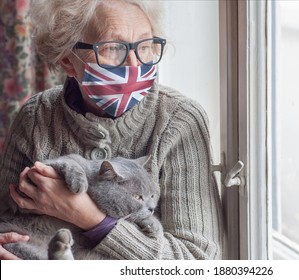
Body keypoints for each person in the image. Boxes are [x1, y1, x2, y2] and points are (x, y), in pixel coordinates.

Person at [0, 0, 224, 260]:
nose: (133, 63)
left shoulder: (180, 122)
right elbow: (5, 212)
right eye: (113, 48)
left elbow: (197, 260)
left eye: (145, 45)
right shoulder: (36, 116)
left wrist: (92, 219)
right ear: (68, 61)